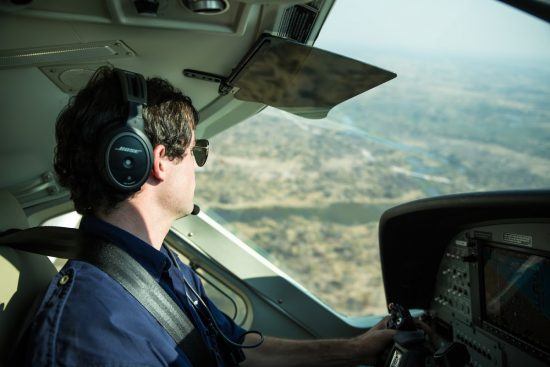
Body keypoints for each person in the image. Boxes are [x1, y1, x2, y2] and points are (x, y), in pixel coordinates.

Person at [17, 66, 398, 366]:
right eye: (195, 152)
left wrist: (357, 349)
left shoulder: (161, 266)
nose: (197, 168)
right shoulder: (95, 331)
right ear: (159, 161)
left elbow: (238, 350)